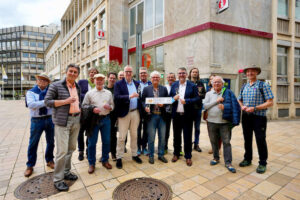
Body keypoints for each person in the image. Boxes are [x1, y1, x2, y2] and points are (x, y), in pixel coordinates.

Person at [45, 64, 81, 191]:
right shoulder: (55, 85)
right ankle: (58, 179)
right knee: (62, 151)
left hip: (76, 120)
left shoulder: (78, 86)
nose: (72, 73)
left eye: (75, 72)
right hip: (62, 122)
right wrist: (65, 101)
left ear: (77, 75)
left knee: (71, 148)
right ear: (66, 72)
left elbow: (78, 101)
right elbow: (47, 102)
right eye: (70, 71)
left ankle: (66, 172)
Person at [238, 65, 274, 174]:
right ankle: (247, 159)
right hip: (246, 117)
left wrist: (254, 108)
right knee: (247, 139)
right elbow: (239, 99)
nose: (250, 73)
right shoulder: (244, 86)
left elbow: (270, 102)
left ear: (257, 73)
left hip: (259, 117)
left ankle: (262, 163)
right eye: (248, 71)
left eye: (252, 71)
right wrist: (242, 106)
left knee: (260, 140)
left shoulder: (263, 85)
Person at [203, 76, 240, 173]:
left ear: (222, 84)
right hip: (211, 122)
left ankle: (228, 162)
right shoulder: (208, 94)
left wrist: (224, 106)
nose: (216, 84)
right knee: (213, 141)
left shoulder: (228, 93)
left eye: (218, 82)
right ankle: (216, 158)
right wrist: (217, 101)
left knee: (226, 142)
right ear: (211, 84)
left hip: (225, 123)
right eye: (214, 82)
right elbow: (205, 106)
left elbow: (234, 106)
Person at [82, 74, 114, 174]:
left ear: (104, 81)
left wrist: (110, 107)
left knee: (106, 141)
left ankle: (105, 160)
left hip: (106, 119)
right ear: (94, 81)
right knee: (92, 143)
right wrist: (92, 109)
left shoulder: (108, 93)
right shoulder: (89, 93)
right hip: (93, 120)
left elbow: (113, 105)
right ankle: (92, 163)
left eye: (101, 80)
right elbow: (83, 106)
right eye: (97, 80)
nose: (99, 81)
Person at [24, 73, 55, 177]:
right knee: (33, 143)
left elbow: (54, 103)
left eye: (45, 80)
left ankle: (50, 160)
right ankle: (30, 165)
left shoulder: (51, 92)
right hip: (36, 121)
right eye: (40, 80)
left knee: (50, 141)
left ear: (48, 83)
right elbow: (31, 105)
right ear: (37, 81)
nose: (42, 82)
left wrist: (44, 103)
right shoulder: (31, 92)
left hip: (50, 119)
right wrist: (47, 102)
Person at [114, 65, 142, 169]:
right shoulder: (118, 84)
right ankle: (119, 157)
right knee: (122, 137)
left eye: (130, 71)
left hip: (135, 113)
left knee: (134, 135)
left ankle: (134, 154)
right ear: (124, 73)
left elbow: (140, 96)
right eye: (126, 72)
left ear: (132, 73)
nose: (128, 73)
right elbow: (116, 97)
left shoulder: (137, 83)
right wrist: (129, 96)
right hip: (124, 113)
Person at [170, 67, 199, 166]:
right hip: (176, 115)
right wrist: (173, 98)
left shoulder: (192, 85)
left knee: (187, 136)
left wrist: (187, 101)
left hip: (187, 115)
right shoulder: (174, 85)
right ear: (177, 75)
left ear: (186, 74)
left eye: (183, 73)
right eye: (179, 73)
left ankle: (188, 156)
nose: (181, 75)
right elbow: (170, 99)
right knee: (176, 136)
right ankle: (176, 153)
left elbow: (197, 98)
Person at [142, 71, 169, 164]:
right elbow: (142, 101)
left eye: (157, 77)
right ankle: (151, 155)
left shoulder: (164, 89)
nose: (155, 79)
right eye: (154, 77)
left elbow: (168, 101)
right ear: (151, 78)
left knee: (162, 137)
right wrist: (145, 107)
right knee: (151, 137)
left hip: (162, 116)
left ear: (160, 78)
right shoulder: (146, 89)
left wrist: (164, 105)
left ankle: (161, 155)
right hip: (151, 116)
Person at [77, 67, 98, 161]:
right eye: (91, 72)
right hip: (82, 111)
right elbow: (77, 93)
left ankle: (87, 150)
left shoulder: (98, 84)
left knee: (89, 132)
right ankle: (80, 151)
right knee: (80, 132)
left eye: (95, 72)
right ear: (89, 73)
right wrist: (88, 95)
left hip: (92, 113)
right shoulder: (82, 82)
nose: (93, 74)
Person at [188, 68, 206, 152]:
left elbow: (204, 95)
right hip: (189, 108)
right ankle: (188, 143)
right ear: (190, 73)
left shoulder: (201, 83)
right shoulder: (187, 83)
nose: (194, 73)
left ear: (198, 74)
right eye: (193, 72)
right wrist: (195, 95)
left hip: (198, 108)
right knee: (188, 127)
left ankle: (196, 144)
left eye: (196, 72)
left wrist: (199, 95)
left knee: (197, 128)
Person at [137, 67, 152, 156]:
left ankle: (144, 147)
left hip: (148, 110)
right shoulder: (136, 83)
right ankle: (138, 147)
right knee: (138, 130)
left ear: (147, 74)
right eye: (141, 73)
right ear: (139, 74)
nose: (143, 74)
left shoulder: (150, 84)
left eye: (144, 73)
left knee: (146, 130)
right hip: (138, 110)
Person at [105, 72, 118, 161]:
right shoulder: (104, 89)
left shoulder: (117, 89)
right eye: (111, 78)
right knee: (105, 136)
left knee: (113, 135)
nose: (112, 79)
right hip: (105, 115)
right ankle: (104, 153)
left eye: (114, 78)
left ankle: (113, 153)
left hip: (114, 116)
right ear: (107, 78)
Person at [164, 72, 176, 154]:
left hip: (176, 112)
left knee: (177, 131)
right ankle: (165, 147)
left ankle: (178, 148)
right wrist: (172, 100)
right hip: (166, 112)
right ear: (167, 79)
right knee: (166, 131)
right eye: (169, 77)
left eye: (172, 77)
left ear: (175, 78)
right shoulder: (164, 88)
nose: (170, 79)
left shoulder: (177, 87)